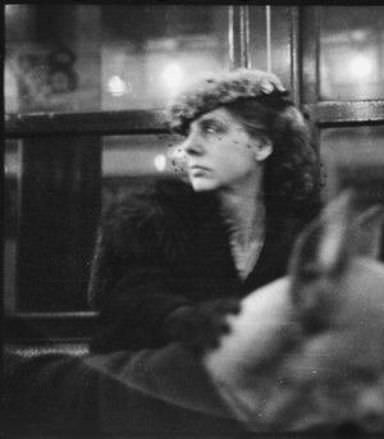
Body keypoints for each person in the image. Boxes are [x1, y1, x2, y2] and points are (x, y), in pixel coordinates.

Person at [88, 68, 323, 354]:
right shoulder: (158, 223)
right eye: (188, 133)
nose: (189, 147)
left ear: (261, 146)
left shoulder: (303, 237)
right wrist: (182, 319)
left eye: (212, 129)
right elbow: (135, 300)